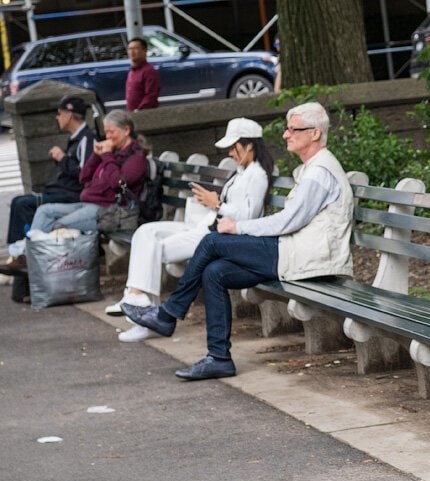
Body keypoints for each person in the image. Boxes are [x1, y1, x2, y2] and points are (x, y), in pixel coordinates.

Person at [122, 102, 354, 381]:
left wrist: (238, 226)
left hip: (307, 258)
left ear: (315, 133)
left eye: (293, 129)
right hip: (293, 251)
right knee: (215, 272)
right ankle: (218, 357)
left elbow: (288, 222)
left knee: (212, 242)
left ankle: (168, 314)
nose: (286, 135)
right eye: (287, 129)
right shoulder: (311, 169)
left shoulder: (320, 172)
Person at [110, 117, 274, 343]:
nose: (229, 153)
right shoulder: (241, 172)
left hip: (215, 236)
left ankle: (141, 310)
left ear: (249, 145)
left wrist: (216, 203)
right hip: (203, 226)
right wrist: (212, 203)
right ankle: (137, 298)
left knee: (152, 250)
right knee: (145, 233)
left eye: (233, 147)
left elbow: (249, 218)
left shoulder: (258, 175)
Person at [0, 95, 97, 286]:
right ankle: (18, 257)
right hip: (64, 191)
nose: (57, 117)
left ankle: (21, 258)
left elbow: (85, 175)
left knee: (24, 204)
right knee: (20, 202)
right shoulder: (75, 139)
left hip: (73, 196)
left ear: (69, 115)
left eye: (59, 113)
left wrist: (62, 159)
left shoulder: (87, 138)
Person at [24, 109, 147, 237]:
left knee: (57, 225)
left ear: (126, 130)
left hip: (109, 211)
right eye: (106, 132)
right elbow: (84, 177)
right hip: (89, 203)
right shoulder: (113, 152)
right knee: (44, 211)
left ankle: (33, 247)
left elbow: (117, 182)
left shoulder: (136, 158)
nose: (108, 136)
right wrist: (95, 155)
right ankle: (31, 248)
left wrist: (106, 156)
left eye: (112, 132)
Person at [126, 37, 160, 111]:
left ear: (144, 51)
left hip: (145, 115)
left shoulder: (149, 71)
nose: (132, 52)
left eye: (136, 48)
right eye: (130, 49)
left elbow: (151, 95)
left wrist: (140, 110)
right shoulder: (132, 71)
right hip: (132, 115)